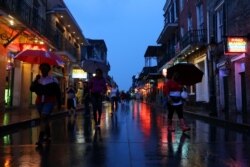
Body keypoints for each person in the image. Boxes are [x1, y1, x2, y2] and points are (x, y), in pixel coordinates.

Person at [30, 63, 61, 146]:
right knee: (45, 119)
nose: (44, 70)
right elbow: (32, 89)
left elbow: (58, 92)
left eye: (45, 69)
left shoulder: (53, 80)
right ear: (40, 69)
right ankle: (48, 135)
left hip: (49, 101)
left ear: (48, 70)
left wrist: (59, 103)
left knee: (43, 117)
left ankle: (40, 138)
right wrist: (36, 80)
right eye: (42, 69)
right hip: (39, 101)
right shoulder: (38, 79)